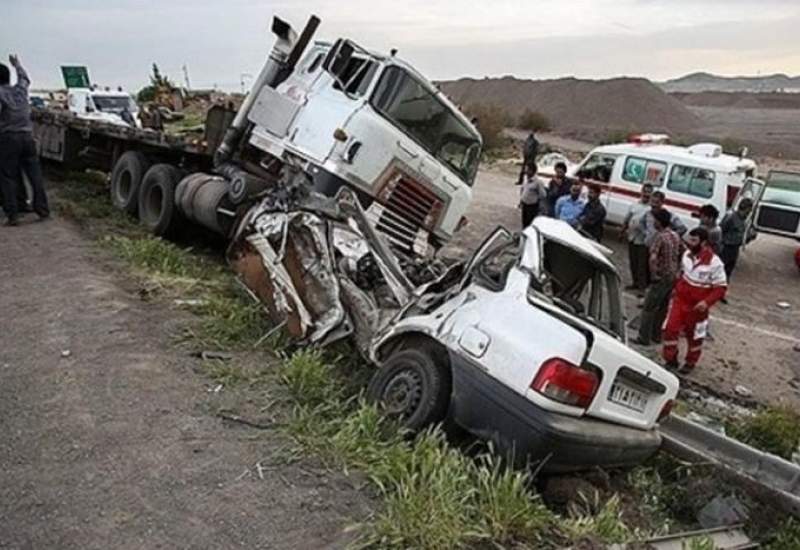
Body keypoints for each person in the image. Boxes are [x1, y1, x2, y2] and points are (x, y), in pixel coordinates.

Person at [662, 227, 727, 375]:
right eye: (689, 239)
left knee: (695, 337)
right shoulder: (686, 255)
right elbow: (683, 275)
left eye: (694, 240)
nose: (689, 243)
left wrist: (706, 302)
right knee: (670, 330)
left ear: (703, 243)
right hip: (680, 302)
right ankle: (670, 359)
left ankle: (690, 362)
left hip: (697, 308)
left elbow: (720, 288)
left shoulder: (715, 263)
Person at [0, 54, 49, 226]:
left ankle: (13, 214)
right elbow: (25, 78)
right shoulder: (20, 90)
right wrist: (18, 65)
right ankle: (42, 209)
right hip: (27, 137)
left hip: (8, 138)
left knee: (7, 176)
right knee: (35, 175)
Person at [633, 209, 683, 346]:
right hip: (672, 276)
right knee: (663, 307)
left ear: (659, 222)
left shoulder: (660, 237)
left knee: (649, 307)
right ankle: (656, 335)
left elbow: (653, 258)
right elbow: (681, 253)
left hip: (661, 276)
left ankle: (644, 337)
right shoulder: (675, 235)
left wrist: (654, 274)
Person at [621, 184, 653, 292]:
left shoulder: (651, 208)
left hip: (643, 240)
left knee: (642, 264)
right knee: (633, 262)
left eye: (649, 192)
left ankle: (642, 286)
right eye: (645, 191)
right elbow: (627, 218)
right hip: (632, 237)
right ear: (641, 192)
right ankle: (635, 283)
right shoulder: (634, 205)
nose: (646, 194)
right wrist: (622, 230)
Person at [719, 198, 754, 282]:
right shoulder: (730, 217)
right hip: (726, 248)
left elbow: (741, 237)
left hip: (735, 249)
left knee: (728, 272)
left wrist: (750, 237)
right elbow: (721, 230)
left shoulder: (743, 221)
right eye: (747, 211)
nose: (747, 214)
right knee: (720, 271)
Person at [518, 163, 546, 227]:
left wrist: (536, 200)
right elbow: (523, 189)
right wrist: (521, 200)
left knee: (530, 223)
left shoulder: (538, 182)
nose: (525, 171)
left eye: (527, 169)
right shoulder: (525, 179)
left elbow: (543, 195)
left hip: (532, 206)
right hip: (525, 204)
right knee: (524, 222)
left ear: (531, 171)